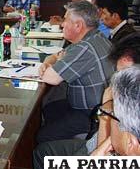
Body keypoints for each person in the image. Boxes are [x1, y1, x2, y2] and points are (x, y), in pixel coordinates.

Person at [33, 33, 140, 168]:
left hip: (98, 151)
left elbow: (105, 157)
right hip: (95, 143)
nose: (116, 82)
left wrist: (106, 109)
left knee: (44, 144)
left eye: (124, 75)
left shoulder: (129, 107)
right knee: (43, 150)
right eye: (117, 73)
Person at [37, 1, 114, 143]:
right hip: (93, 106)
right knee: (49, 108)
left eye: (65, 20)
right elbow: (54, 56)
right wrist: (49, 62)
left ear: (78, 25)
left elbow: (50, 78)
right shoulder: (94, 37)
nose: (62, 24)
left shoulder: (84, 47)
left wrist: (50, 65)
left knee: (42, 137)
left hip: (91, 115)